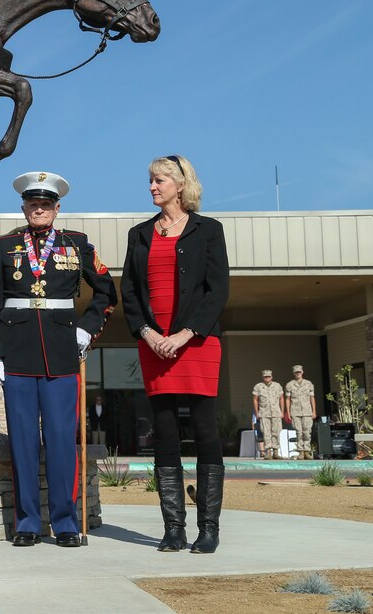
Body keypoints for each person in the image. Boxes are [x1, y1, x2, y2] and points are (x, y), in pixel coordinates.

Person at [0, 171, 116, 548]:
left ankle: (65, 522)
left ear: (57, 208)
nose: (39, 210)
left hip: (61, 351)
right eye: (32, 204)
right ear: (23, 207)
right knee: (22, 441)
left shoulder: (78, 243)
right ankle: (27, 522)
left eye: (46, 205)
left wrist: (87, 329)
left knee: (59, 439)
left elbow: (106, 292)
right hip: (17, 353)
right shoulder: (3, 245)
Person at [121, 155, 229, 554]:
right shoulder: (139, 234)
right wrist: (148, 334)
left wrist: (184, 334)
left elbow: (218, 290)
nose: (152, 186)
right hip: (155, 345)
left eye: (160, 180)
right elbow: (129, 292)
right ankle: (173, 529)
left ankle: (209, 529)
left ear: (181, 185)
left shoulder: (209, 230)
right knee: (163, 432)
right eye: (150, 180)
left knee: (204, 430)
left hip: (197, 343)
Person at [285, 364, 317, 459]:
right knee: (299, 432)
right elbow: (287, 399)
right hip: (295, 411)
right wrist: (288, 412)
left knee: (307, 432)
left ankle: (307, 451)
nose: (298, 373)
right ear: (293, 373)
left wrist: (314, 411)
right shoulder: (290, 385)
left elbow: (312, 398)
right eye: (296, 372)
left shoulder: (309, 384)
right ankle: (301, 452)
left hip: (307, 411)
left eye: (299, 372)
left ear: (302, 372)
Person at [253, 370, 284, 459]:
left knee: (276, 431)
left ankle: (275, 452)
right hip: (264, 413)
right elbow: (255, 399)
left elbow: (281, 398)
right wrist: (256, 412)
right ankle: (268, 452)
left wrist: (282, 411)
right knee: (266, 432)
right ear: (263, 377)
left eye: (269, 377)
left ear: (272, 377)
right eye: (265, 377)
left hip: (276, 413)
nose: (267, 378)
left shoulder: (277, 386)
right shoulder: (258, 386)